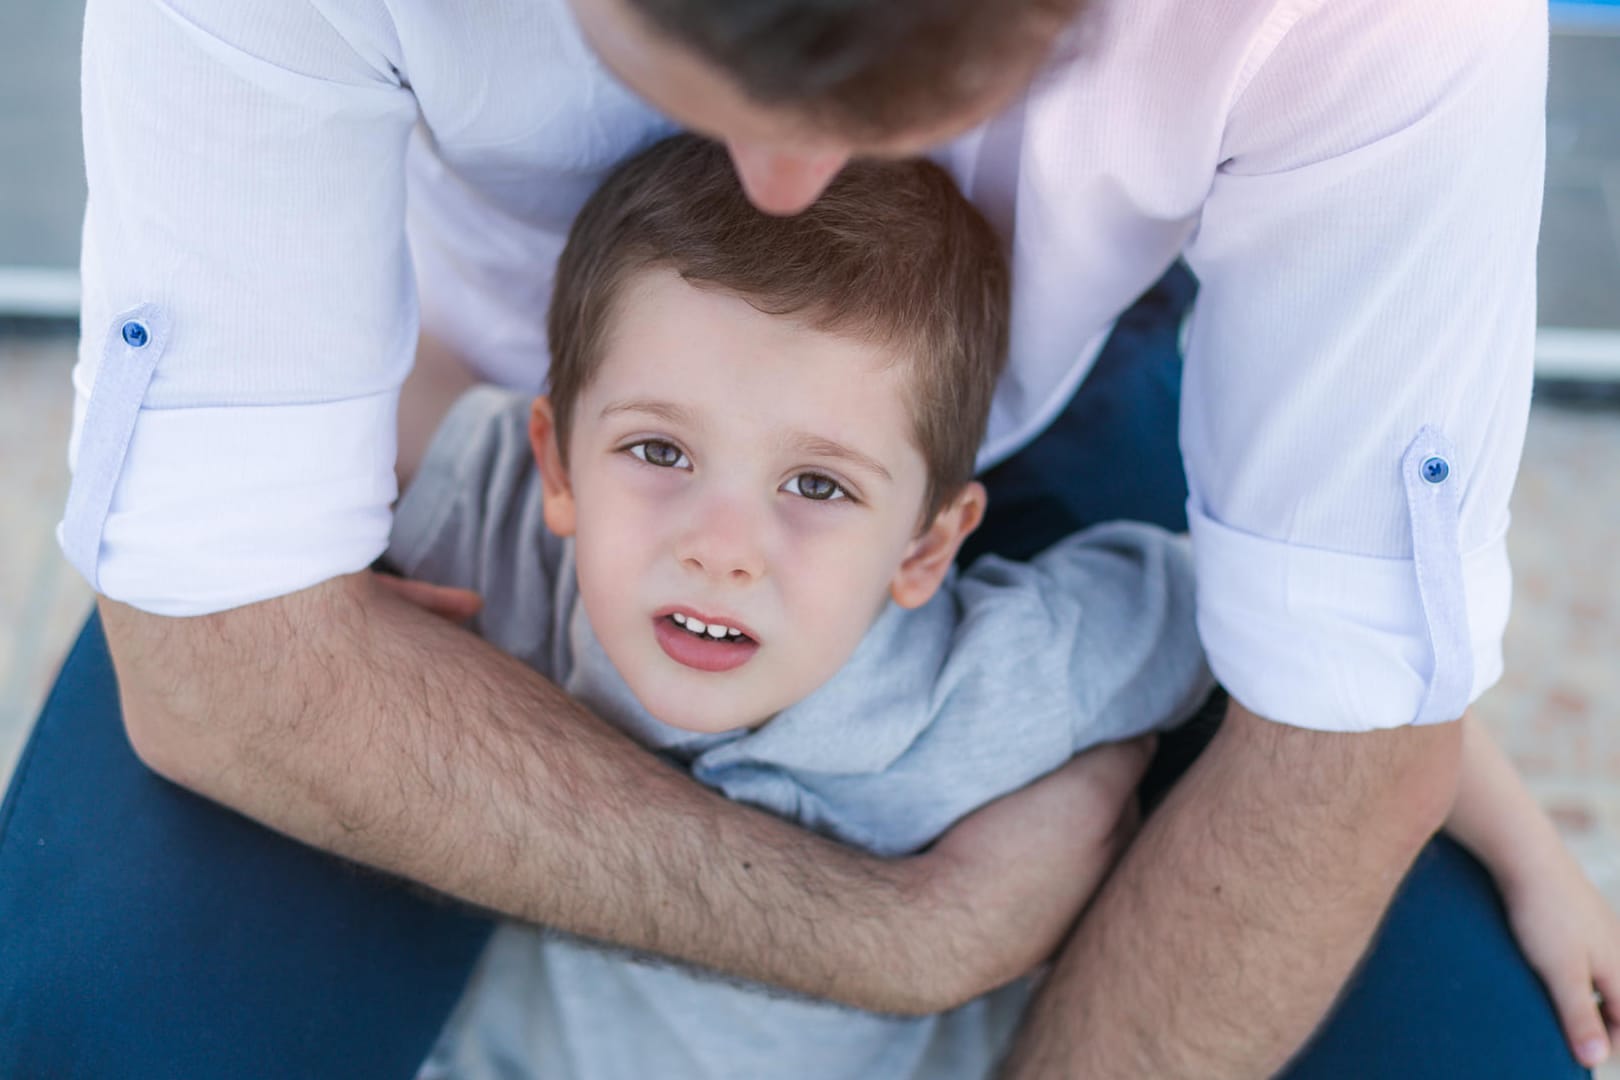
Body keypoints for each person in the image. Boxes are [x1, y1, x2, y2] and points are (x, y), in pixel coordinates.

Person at [0, 0, 1595, 1076]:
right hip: (511, 359)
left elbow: (1342, 693)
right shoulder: (499, 490)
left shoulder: (1385, 29)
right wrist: (909, 936)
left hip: (1072, 388)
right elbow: (225, 639)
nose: (774, 182)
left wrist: (1460, 777)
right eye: (685, 66)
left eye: (908, 95)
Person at [392, 133, 1620, 1078]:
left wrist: (1533, 861)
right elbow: (316, 438)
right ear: (557, 462)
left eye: (815, 486)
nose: (722, 551)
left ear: (927, 548)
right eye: (659, 453)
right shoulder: (514, 526)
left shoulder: (993, 683)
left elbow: (1344, 669)